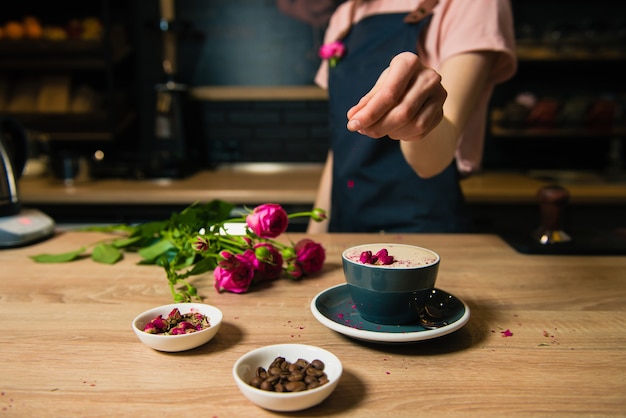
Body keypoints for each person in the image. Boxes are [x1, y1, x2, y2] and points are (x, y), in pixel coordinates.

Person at [307, 0, 517, 233]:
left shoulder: (473, 4)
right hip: (345, 224)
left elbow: (435, 158)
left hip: (423, 225)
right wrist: (315, 237)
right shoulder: (346, 14)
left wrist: (418, 118)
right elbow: (340, 148)